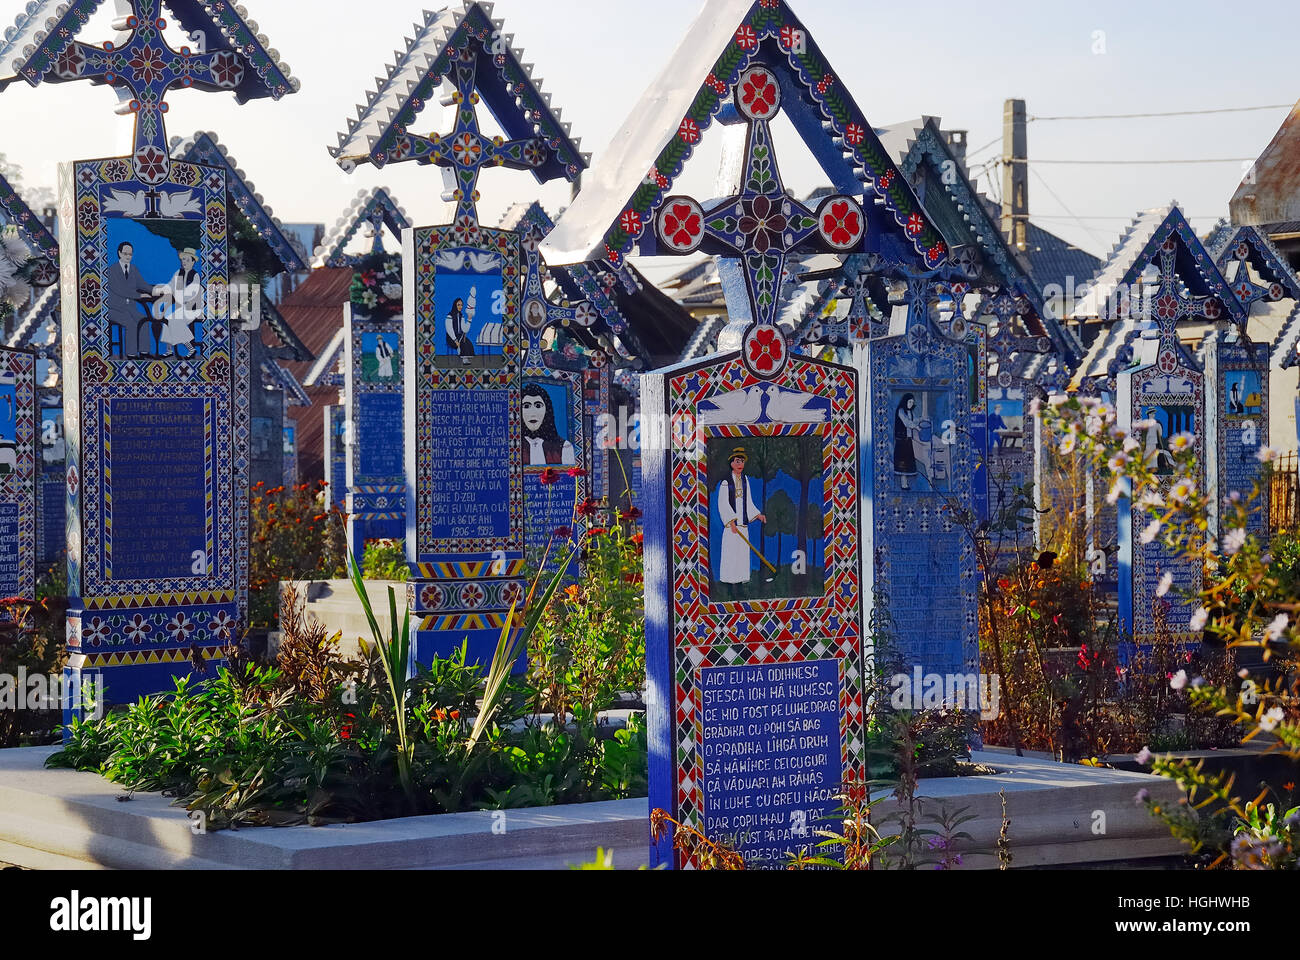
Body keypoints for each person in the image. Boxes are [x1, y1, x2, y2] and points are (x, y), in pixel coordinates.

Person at [716, 448, 766, 598]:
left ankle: (740, 587)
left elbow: (748, 501)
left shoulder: (745, 481)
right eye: (737, 461)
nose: (740, 464)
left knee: (742, 555)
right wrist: (731, 522)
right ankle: (730, 589)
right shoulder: (726, 482)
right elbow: (723, 503)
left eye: (742, 461)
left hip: (743, 526)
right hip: (731, 527)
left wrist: (757, 515)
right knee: (731, 555)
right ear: (731, 463)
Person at [106, 242, 157, 358]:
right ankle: (131, 354)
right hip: (114, 309)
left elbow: (143, 285)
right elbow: (121, 290)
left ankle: (144, 352)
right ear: (119, 253)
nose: (128, 256)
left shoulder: (133, 269)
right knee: (131, 324)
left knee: (144, 320)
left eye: (130, 254)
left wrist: (157, 290)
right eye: (125, 253)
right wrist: (140, 296)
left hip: (130, 308)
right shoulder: (111, 270)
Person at [153, 247, 202, 356]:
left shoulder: (195, 276)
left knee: (175, 321)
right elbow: (170, 285)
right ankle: (169, 350)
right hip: (181, 308)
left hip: (192, 308)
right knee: (168, 320)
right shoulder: (178, 273)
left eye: (187, 260)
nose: (184, 262)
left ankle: (191, 349)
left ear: (193, 262)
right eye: (183, 259)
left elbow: (192, 294)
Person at [522, 384, 575, 466]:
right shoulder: (512, 447)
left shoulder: (564, 447)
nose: (533, 413)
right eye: (526, 406)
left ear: (547, 410)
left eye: (538, 405)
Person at [894, 394, 921, 490]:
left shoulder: (910, 412)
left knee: (907, 462)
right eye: (909, 402)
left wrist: (921, 420)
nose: (911, 404)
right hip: (902, 440)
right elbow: (907, 422)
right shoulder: (901, 411)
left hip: (908, 440)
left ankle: (906, 484)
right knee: (903, 463)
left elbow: (914, 420)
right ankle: (903, 484)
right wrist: (916, 427)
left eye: (912, 402)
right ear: (905, 401)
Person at [445, 297, 475, 361]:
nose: (460, 307)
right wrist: (455, 340)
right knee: (463, 344)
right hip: (451, 338)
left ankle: (464, 355)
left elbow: (465, 329)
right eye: (458, 305)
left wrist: (469, 319)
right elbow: (449, 329)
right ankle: (465, 359)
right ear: (455, 305)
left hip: (460, 336)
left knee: (468, 343)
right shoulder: (449, 316)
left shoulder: (462, 316)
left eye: (461, 305)